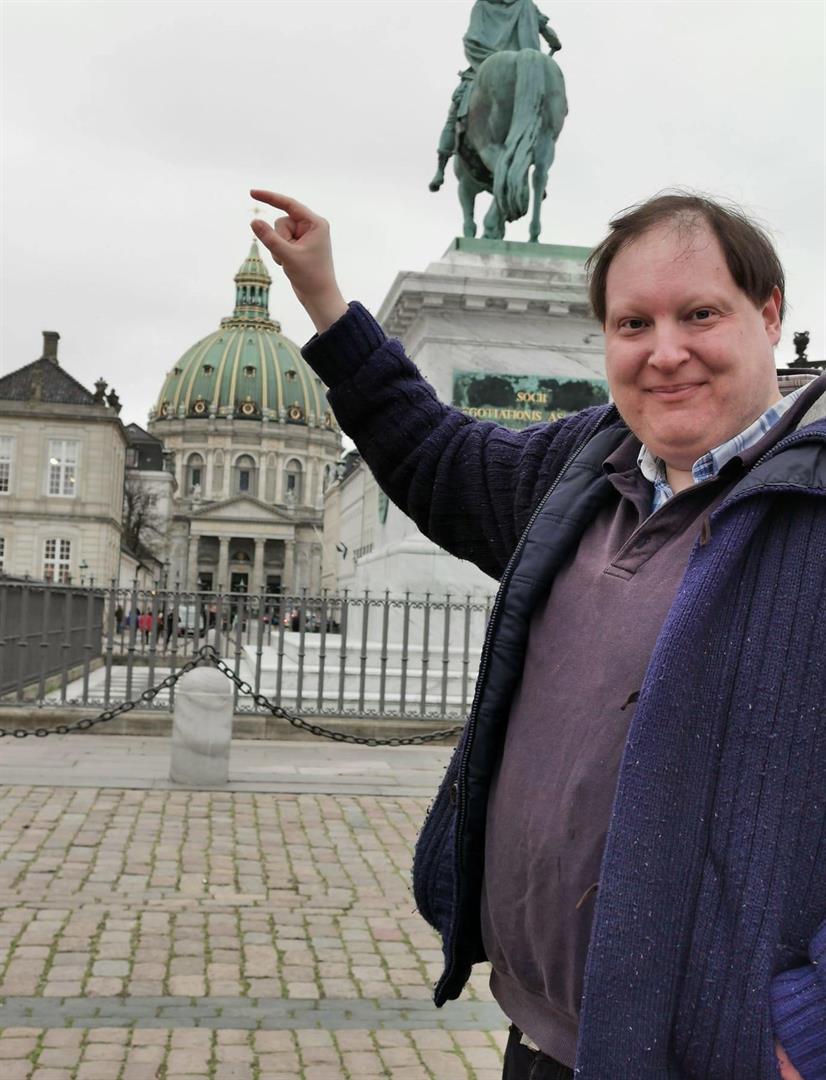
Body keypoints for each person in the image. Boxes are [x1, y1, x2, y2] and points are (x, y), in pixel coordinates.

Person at [249, 188, 826, 1080]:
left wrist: (808, 1028)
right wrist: (326, 299)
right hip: (542, 1036)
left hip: (715, 1057)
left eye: (699, 314)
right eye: (633, 323)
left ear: (770, 313)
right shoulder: (583, 466)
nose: (665, 351)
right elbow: (435, 451)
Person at [429, 0, 562, 192]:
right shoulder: (526, 4)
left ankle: (440, 170)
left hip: (483, 67)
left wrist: (487, 61)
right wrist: (554, 44)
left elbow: (472, 40)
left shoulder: (482, 5)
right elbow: (552, 37)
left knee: (453, 116)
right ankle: (535, 169)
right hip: (528, 73)